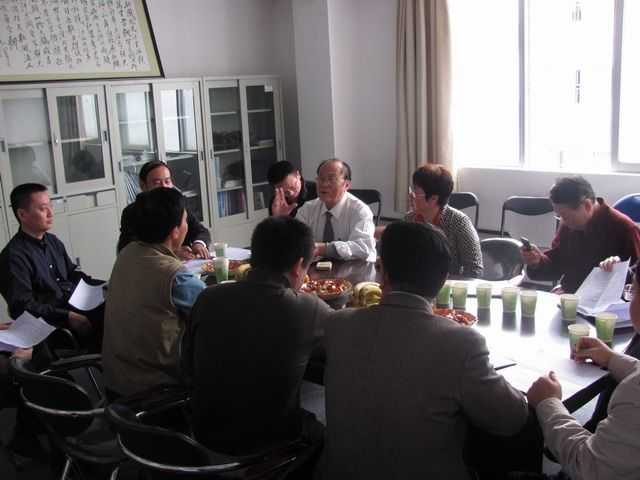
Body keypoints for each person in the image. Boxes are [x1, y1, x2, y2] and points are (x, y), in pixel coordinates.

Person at [318, 221, 529, 479]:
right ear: (443, 280)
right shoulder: (462, 343)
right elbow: (511, 420)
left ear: (382, 272)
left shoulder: (337, 325)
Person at [184, 216, 332, 460]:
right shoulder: (308, 308)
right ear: (298, 266)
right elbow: (348, 343)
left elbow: (187, 365)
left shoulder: (208, 297)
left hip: (202, 437)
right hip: (269, 449)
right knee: (327, 434)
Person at [526, 272, 640, 479]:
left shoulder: (634, 393)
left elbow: (588, 467)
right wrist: (612, 359)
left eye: (632, 292)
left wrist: (548, 403)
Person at [102, 187, 205, 398]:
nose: (187, 226)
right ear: (175, 231)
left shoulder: (127, 253)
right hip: (156, 390)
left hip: (116, 382)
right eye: (185, 221)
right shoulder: (175, 276)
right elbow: (215, 308)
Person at [0, 183, 102, 346]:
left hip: (73, 305)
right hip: (50, 324)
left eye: (51, 206)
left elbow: (72, 275)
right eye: (43, 209)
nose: (50, 213)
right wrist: (66, 316)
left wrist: (101, 286)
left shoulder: (53, 241)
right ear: (22, 214)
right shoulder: (13, 257)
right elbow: (23, 307)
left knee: (116, 304)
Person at [522, 176, 640, 294]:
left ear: (587, 205)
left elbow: (636, 281)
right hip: (570, 295)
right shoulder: (569, 225)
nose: (563, 221)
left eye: (565, 216)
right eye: (559, 215)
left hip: (607, 301)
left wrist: (620, 269)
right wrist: (537, 262)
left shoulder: (625, 229)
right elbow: (557, 265)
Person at [117, 160, 211, 259]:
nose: (164, 187)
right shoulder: (132, 213)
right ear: (143, 186)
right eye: (157, 183)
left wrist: (198, 243)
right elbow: (127, 249)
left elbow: (201, 231)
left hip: (187, 263)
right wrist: (172, 252)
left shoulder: (180, 206)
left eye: (167, 181)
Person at [405, 164, 483, 277]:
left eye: (416, 193)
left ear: (433, 198)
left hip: (448, 284)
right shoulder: (409, 219)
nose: (411, 196)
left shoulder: (459, 222)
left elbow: (475, 269)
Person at [291, 159, 376, 262]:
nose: (324, 184)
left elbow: (363, 247)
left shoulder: (360, 210)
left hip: (356, 268)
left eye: (331, 179)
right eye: (321, 179)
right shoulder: (307, 209)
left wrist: (323, 249)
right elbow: (293, 241)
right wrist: (280, 217)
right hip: (316, 269)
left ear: (346, 185)